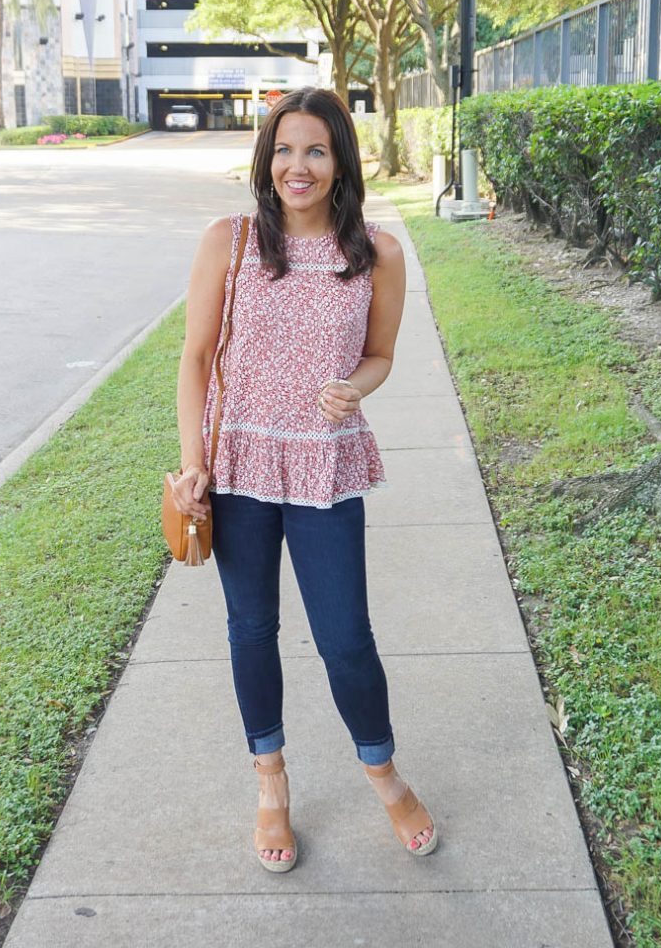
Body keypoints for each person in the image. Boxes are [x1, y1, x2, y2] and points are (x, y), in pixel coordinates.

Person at [168, 87, 437, 872]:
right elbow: (194, 358)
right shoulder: (232, 240)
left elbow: (380, 353)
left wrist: (357, 385)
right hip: (241, 464)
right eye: (284, 149)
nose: (297, 165)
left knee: (345, 640)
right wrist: (193, 464)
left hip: (325, 465)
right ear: (266, 158)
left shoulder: (377, 254)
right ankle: (270, 783)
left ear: (340, 161)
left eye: (315, 150)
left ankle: (382, 776)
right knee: (251, 630)